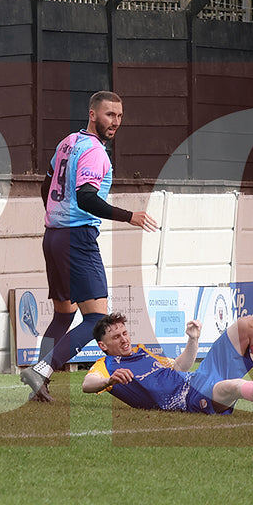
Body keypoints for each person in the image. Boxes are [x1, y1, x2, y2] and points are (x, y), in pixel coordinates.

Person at [20, 90, 159, 403]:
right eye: (110, 115)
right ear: (93, 114)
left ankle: (39, 384)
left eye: (120, 116)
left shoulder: (68, 142)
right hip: (77, 239)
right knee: (97, 319)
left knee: (63, 314)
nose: (116, 122)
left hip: (53, 236)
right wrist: (129, 216)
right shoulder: (96, 152)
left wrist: (54, 215)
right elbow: (85, 196)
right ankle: (42, 369)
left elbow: (46, 183)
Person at [81, 313, 253, 411]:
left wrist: (193, 340)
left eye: (125, 333)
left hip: (197, 378)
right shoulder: (107, 365)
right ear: (103, 345)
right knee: (229, 387)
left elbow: (179, 367)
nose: (124, 339)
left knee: (248, 325)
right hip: (187, 400)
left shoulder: (143, 353)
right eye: (116, 336)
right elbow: (87, 384)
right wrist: (108, 380)